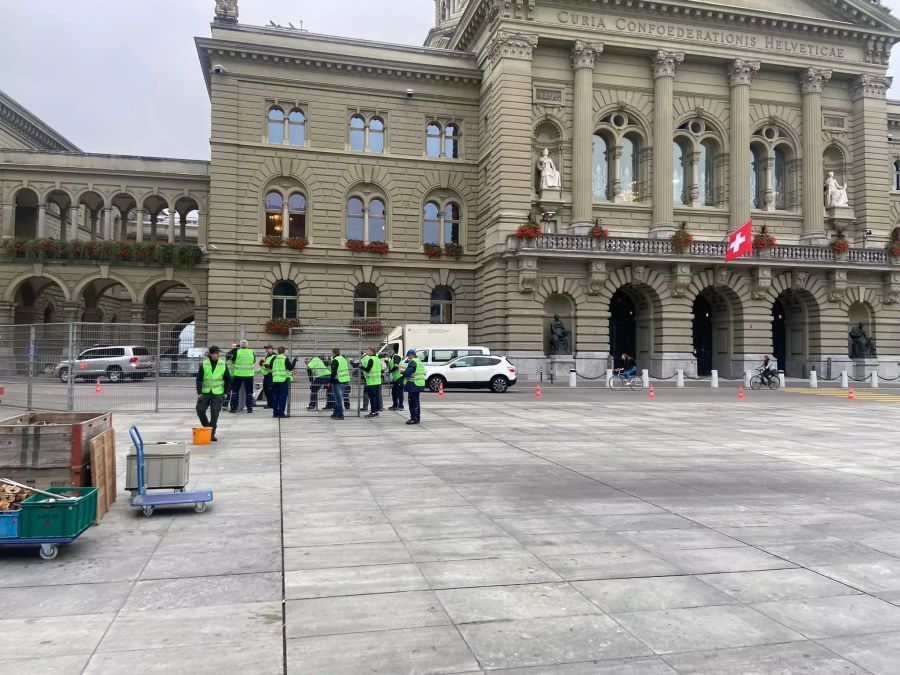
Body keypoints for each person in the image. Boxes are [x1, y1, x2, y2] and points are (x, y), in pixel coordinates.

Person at [195, 346, 231, 442]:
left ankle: (211, 434)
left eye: (219, 353)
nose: (218, 354)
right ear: (210, 354)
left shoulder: (222, 363)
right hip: (205, 393)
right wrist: (199, 392)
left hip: (218, 393)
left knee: (214, 413)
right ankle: (207, 428)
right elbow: (199, 379)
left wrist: (225, 392)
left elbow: (228, 379)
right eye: (216, 353)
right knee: (200, 410)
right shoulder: (204, 364)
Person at [228, 339, 256, 413]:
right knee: (249, 392)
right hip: (249, 375)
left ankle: (233, 408)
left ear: (240, 345)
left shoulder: (237, 351)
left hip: (238, 374)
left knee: (235, 391)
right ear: (247, 345)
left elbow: (232, 360)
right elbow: (254, 361)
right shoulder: (251, 352)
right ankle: (249, 408)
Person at [402, 348, 425, 425]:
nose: (408, 358)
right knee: (417, 402)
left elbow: (408, 374)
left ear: (411, 355)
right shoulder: (419, 361)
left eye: (408, 356)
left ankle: (413, 419)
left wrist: (403, 372)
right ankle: (417, 418)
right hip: (419, 384)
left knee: (412, 402)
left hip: (413, 385)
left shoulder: (413, 362)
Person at [270, 346, 295, 418]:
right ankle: (281, 413)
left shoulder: (274, 358)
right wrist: (294, 361)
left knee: (275, 397)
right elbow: (290, 368)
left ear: (278, 351)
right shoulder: (285, 358)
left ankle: (275, 413)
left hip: (275, 380)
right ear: (284, 352)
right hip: (283, 380)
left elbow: (271, 366)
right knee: (282, 397)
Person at [360, 347, 382, 418]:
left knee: (372, 398)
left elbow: (367, 369)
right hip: (377, 381)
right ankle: (376, 411)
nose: (367, 352)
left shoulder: (371, 359)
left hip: (371, 382)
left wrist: (361, 367)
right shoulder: (377, 359)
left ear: (372, 352)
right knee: (375, 397)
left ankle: (373, 412)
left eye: (368, 351)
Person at [330, 348, 351, 420]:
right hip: (345, 381)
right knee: (338, 398)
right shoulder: (343, 358)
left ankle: (340, 415)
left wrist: (330, 382)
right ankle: (335, 413)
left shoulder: (335, 360)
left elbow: (333, 373)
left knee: (338, 399)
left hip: (338, 381)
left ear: (333, 353)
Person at [259, 345, 276, 409]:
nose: (266, 350)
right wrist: (261, 364)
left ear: (271, 349)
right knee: (266, 389)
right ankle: (269, 403)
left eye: (268, 348)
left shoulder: (274, 356)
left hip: (271, 375)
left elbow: (272, 366)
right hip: (266, 375)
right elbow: (265, 366)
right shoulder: (266, 356)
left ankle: (272, 404)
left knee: (270, 390)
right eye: (266, 349)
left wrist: (265, 364)